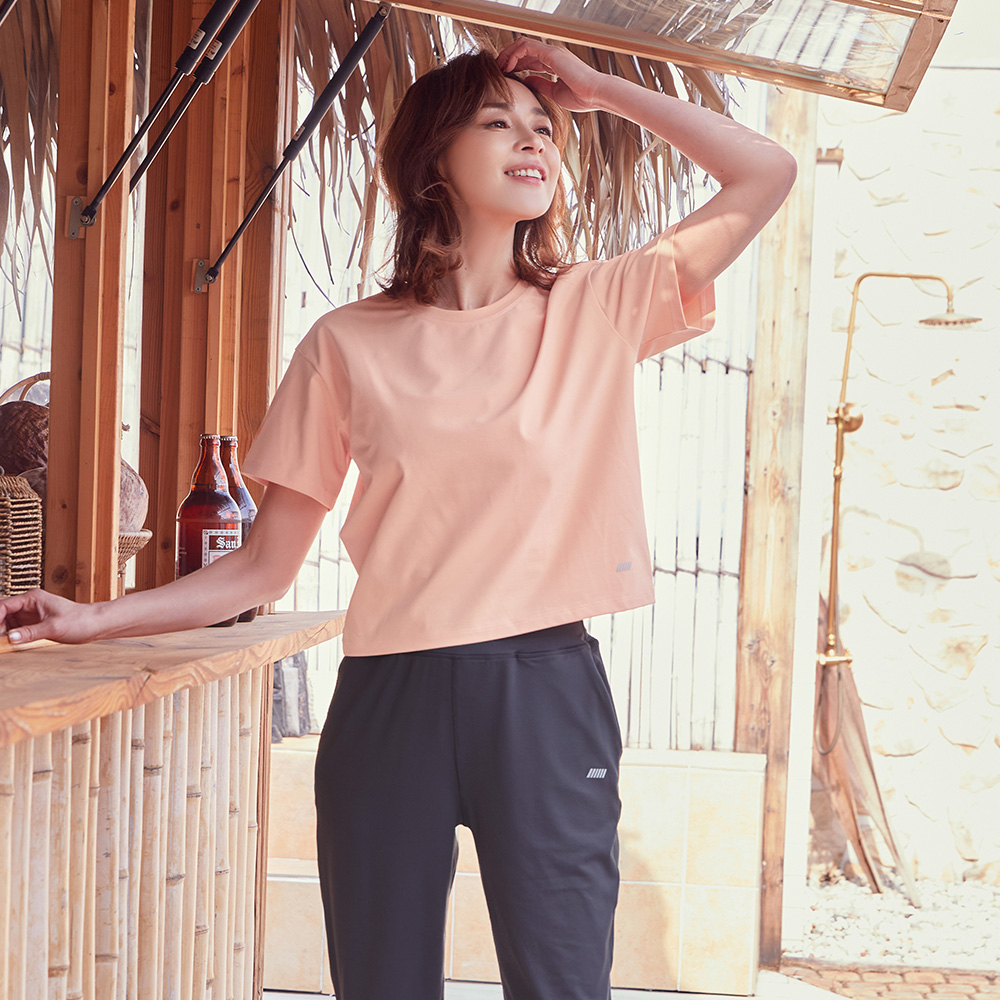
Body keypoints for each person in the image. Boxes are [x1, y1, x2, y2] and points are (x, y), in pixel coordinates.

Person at [0, 37, 796, 1000]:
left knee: (562, 985)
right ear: (433, 160)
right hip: (389, 699)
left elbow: (765, 172)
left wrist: (600, 91)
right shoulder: (345, 344)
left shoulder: (598, 306)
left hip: (543, 694)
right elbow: (259, 569)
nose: (533, 140)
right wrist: (95, 619)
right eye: (498, 122)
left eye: (543, 128)